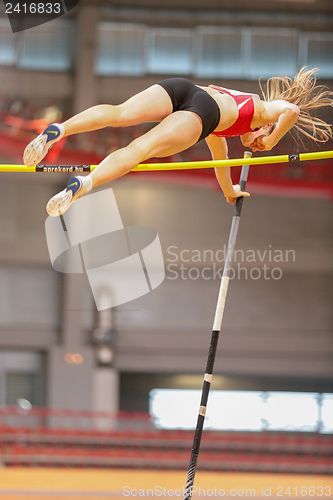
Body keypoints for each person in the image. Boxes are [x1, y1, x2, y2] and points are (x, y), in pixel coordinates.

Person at [23, 67, 333, 216]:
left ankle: (59, 129)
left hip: (183, 89)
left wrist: (229, 191)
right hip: (202, 112)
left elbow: (221, 160)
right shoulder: (262, 110)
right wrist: (273, 137)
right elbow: (291, 110)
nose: (252, 143)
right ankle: (83, 185)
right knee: (138, 150)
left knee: (119, 113)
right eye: (256, 140)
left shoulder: (228, 122)